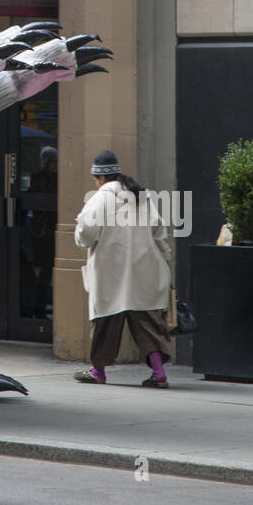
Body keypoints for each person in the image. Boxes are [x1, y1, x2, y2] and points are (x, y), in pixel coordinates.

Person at [73, 149, 173, 388]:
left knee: (105, 322)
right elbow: (159, 232)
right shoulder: (141, 196)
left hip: (111, 272)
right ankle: (159, 374)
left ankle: (98, 372)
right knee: (146, 323)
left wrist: (81, 240)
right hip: (145, 269)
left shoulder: (100, 199)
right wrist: (165, 259)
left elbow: (85, 234)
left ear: (99, 178)